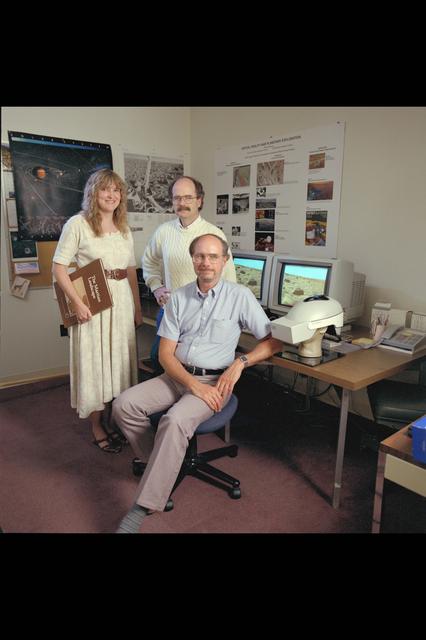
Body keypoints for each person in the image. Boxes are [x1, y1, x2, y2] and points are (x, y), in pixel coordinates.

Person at [113, 233, 283, 533]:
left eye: (213, 256)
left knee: (175, 420)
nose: (206, 262)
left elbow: (273, 342)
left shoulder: (240, 296)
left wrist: (240, 363)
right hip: (177, 375)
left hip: (215, 381)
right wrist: (192, 385)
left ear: (224, 261)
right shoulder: (179, 298)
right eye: (200, 256)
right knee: (124, 405)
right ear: (192, 260)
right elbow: (165, 355)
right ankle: (162, 467)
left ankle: (143, 507)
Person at [52, 169, 143, 454]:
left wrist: (137, 308)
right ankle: (97, 425)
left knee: (119, 363)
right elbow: (59, 268)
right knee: (96, 366)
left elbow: (130, 270)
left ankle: (117, 419)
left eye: (117, 190)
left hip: (122, 302)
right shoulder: (77, 224)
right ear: (93, 192)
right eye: (106, 189)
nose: (112, 195)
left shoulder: (124, 228)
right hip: (93, 305)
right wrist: (78, 304)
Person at [142, 176, 236, 366]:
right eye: (177, 198)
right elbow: (149, 262)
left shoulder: (214, 234)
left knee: (192, 366)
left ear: (199, 200)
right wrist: (156, 287)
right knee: (160, 362)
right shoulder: (163, 232)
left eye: (188, 197)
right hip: (170, 314)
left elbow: (229, 279)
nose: (182, 203)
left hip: (203, 318)